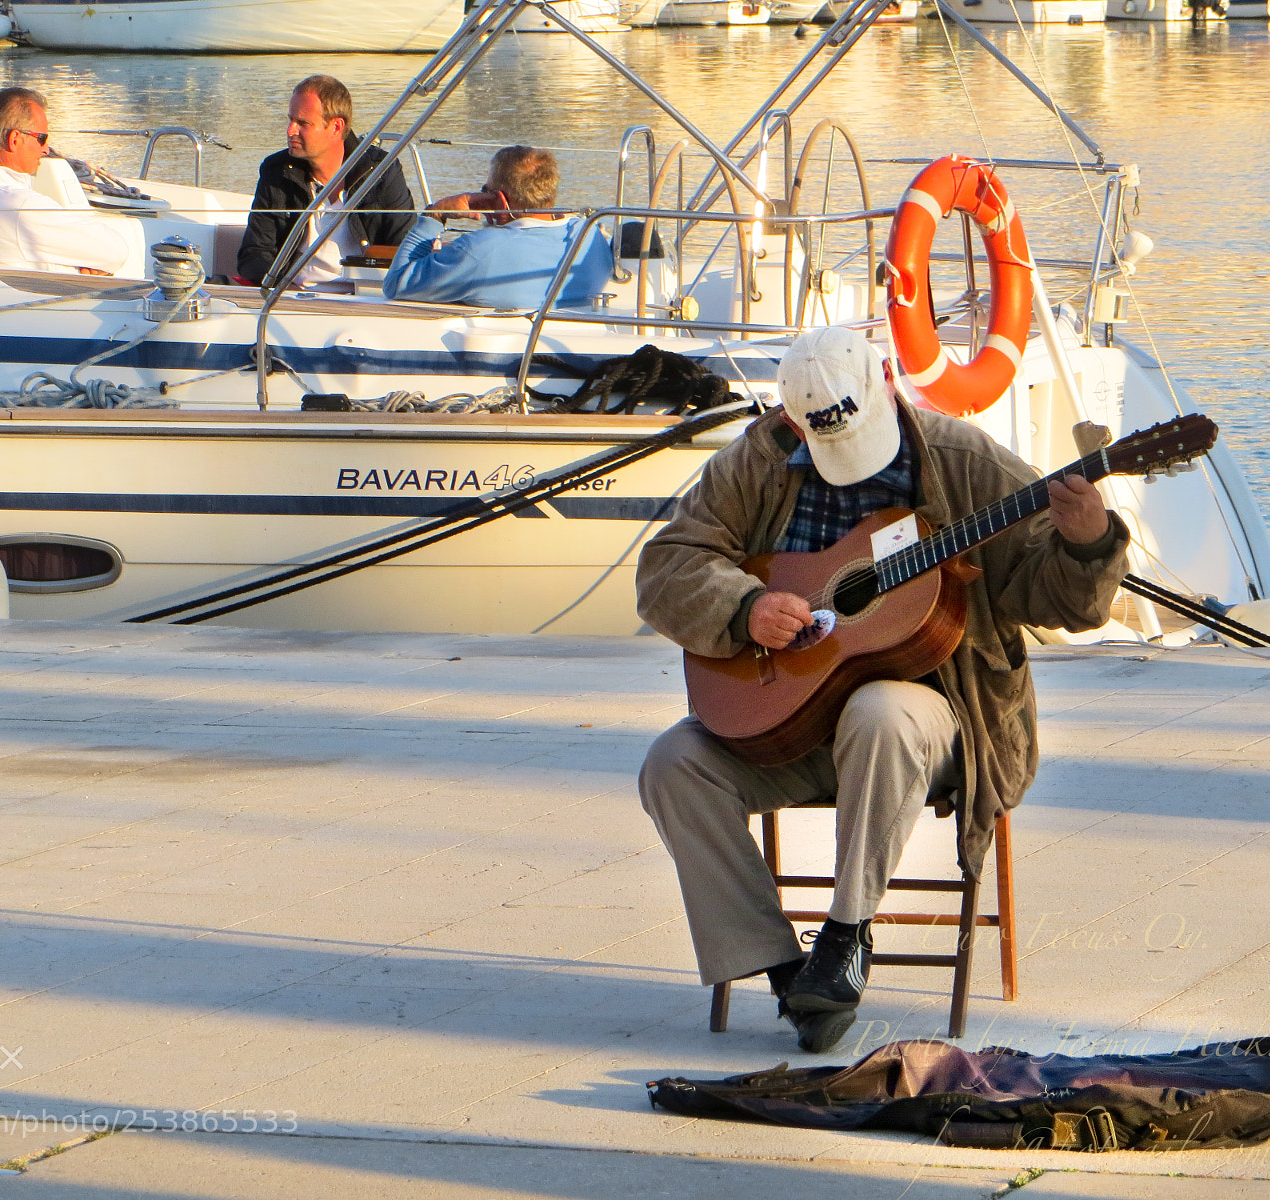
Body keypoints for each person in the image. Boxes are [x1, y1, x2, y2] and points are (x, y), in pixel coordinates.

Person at [635, 324, 1131, 1054]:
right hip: (795, 720)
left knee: (880, 709)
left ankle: (846, 934)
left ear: (886, 385)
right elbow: (669, 566)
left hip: (938, 718)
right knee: (673, 763)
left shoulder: (963, 462)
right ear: (793, 419)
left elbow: (1057, 601)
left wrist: (1088, 542)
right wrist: (743, 608)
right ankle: (785, 973)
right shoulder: (760, 460)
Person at [236, 75, 416, 288]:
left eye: (302, 123)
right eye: (290, 120)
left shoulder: (381, 171)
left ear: (336, 127)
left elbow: (406, 249)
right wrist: (282, 290)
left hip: (365, 299)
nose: (290, 130)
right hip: (291, 298)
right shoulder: (277, 171)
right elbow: (254, 254)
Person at [382, 145, 613, 310]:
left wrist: (436, 213)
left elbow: (395, 284)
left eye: (486, 190)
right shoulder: (590, 235)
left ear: (501, 201)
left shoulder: (479, 250)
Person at [0, 87, 134, 277]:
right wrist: (80, 270)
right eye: (41, 138)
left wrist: (69, 268)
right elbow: (117, 251)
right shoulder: (22, 206)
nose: (46, 149)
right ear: (15, 139)